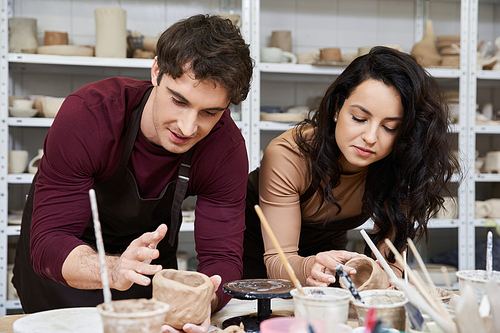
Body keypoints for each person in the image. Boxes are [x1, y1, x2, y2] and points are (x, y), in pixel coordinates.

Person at [13, 14, 253, 332]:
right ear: (156, 71)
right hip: (66, 265)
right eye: (179, 101)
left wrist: (202, 300)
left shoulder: (226, 148)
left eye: (209, 112)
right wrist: (113, 269)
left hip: (145, 268)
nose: (188, 127)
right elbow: (48, 241)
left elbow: (221, 256)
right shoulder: (90, 115)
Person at [243, 46, 459, 287]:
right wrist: (311, 267)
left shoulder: (401, 163)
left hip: (329, 254)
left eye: (390, 127)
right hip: (257, 252)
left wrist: (385, 278)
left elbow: (392, 261)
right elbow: (278, 261)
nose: (370, 137)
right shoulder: (290, 155)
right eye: (359, 118)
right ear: (337, 108)